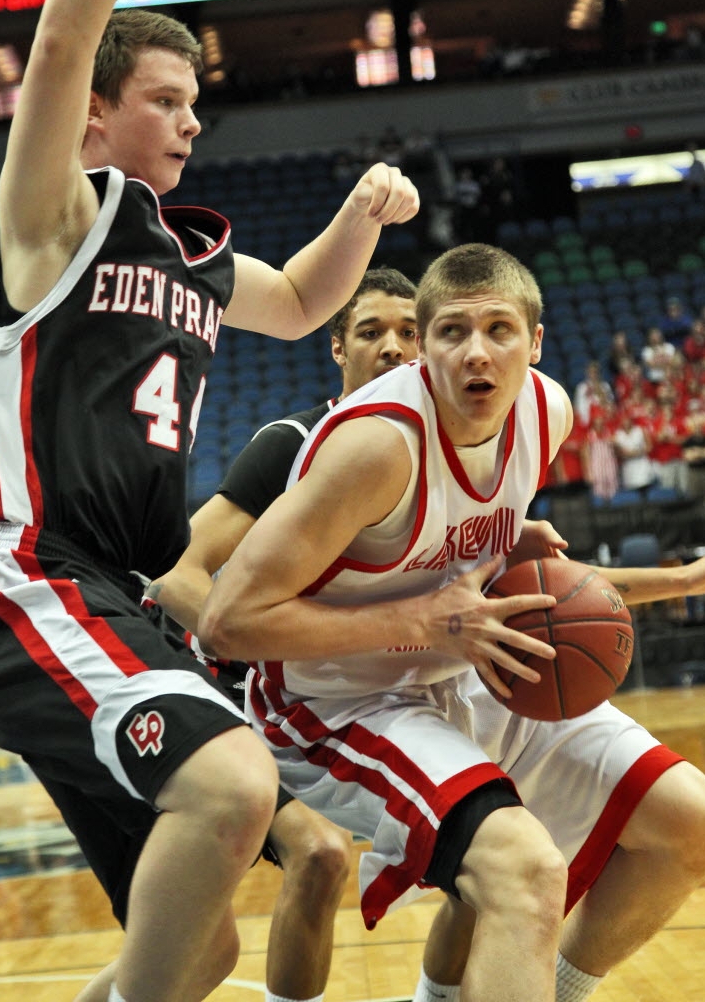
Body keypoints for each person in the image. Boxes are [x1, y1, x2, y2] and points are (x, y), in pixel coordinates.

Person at [0, 0, 419, 1002]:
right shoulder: (50, 222)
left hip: (110, 594)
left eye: (194, 102)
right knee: (231, 786)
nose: (191, 119)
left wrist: (361, 212)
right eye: (166, 99)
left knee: (197, 947)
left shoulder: (194, 260)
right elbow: (58, 43)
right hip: (25, 570)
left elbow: (308, 302)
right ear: (94, 109)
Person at [199, 243, 705, 1002]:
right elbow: (228, 622)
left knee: (690, 823)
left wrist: (677, 576)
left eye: (498, 329)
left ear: (536, 342)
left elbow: (451, 572)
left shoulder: (547, 412)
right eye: (451, 332)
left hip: (461, 665)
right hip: (335, 702)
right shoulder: (376, 448)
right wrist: (427, 621)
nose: (476, 352)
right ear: (425, 347)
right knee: (525, 872)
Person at [150, 266, 473, 1002]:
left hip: (358, 697)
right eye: (370, 332)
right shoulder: (293, 443)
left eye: (409, 333)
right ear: (336, 348)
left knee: (488, 840)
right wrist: (272, 640)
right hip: (240, 702)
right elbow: (177, 573)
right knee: (320, 857)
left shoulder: (448, 451)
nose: (393, 348)